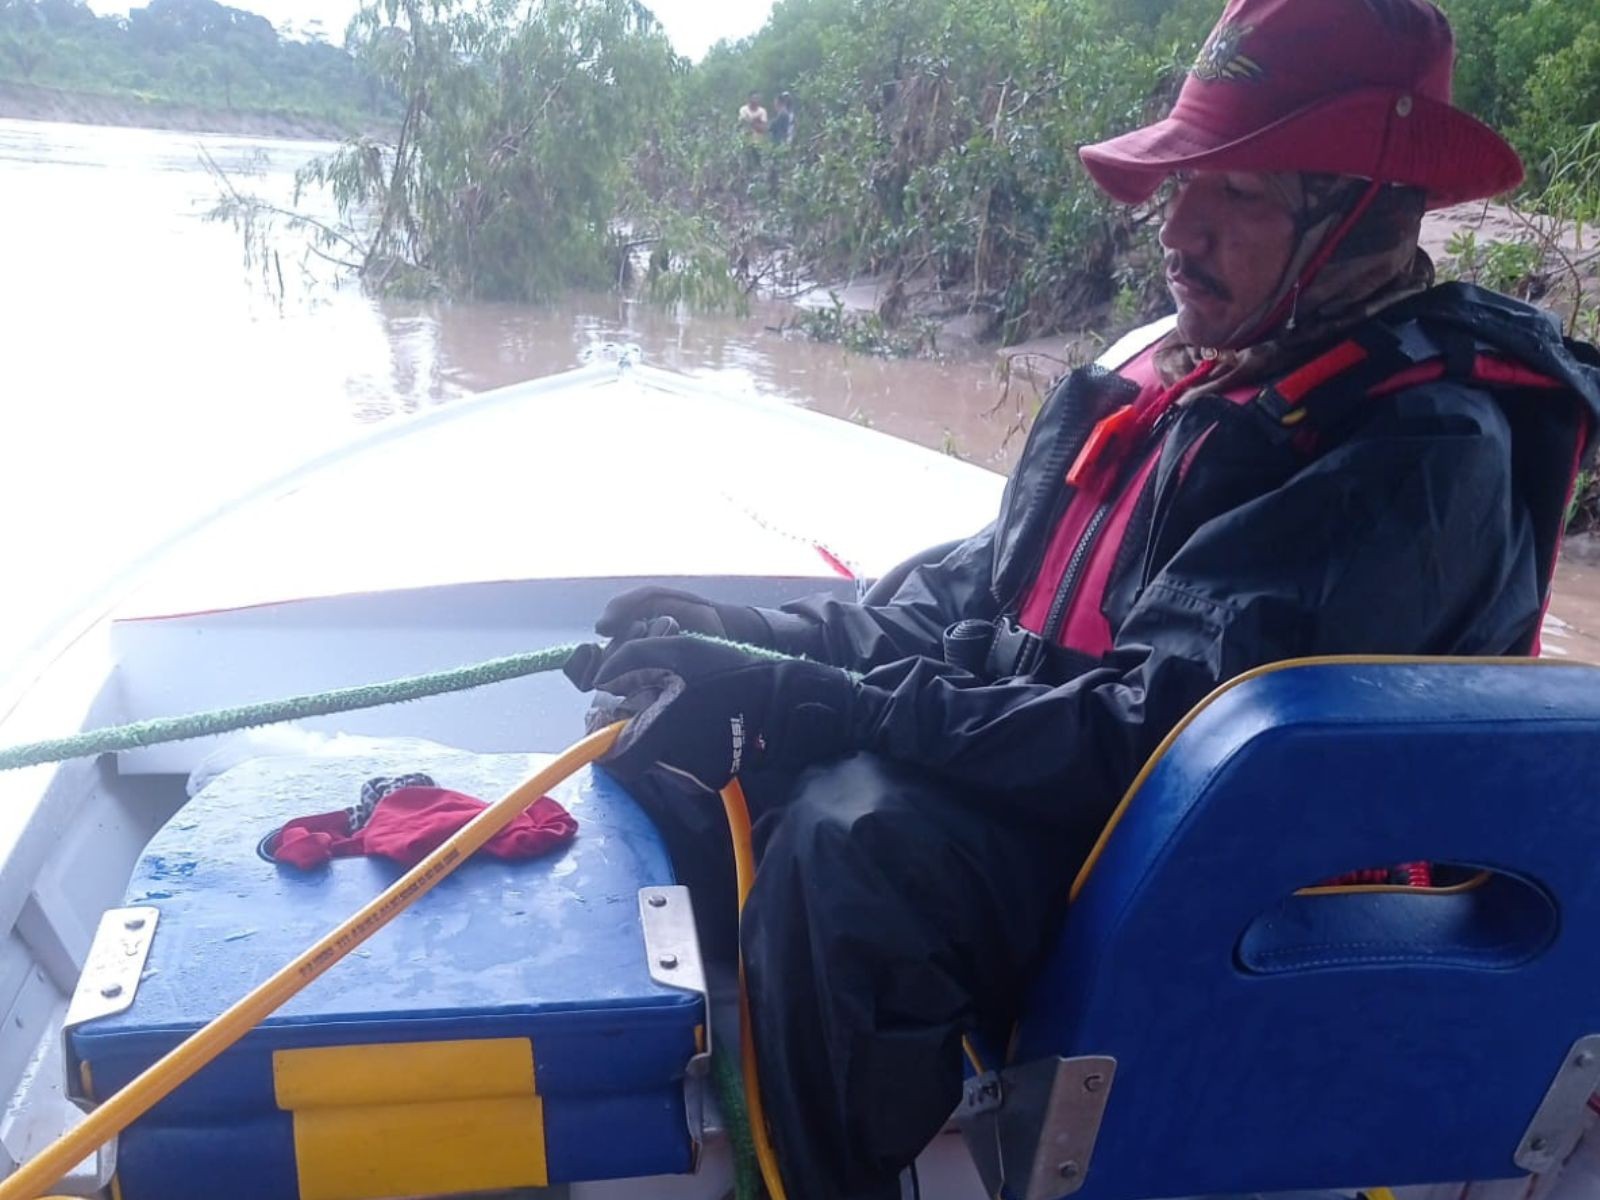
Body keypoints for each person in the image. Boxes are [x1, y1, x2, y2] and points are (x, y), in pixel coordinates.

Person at [565, 0, 1600, 1196]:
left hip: (1224, 876)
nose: (1179, 230)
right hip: (1092, 803)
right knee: (680, 768)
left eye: (1236, 196)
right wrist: (745, 640)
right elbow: (976, 601)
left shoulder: (1415, 456)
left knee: (856, 845)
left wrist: (832, 709)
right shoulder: (1184, 370)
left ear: (1362, 208)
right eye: (1179, 189)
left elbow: (1152, 735)